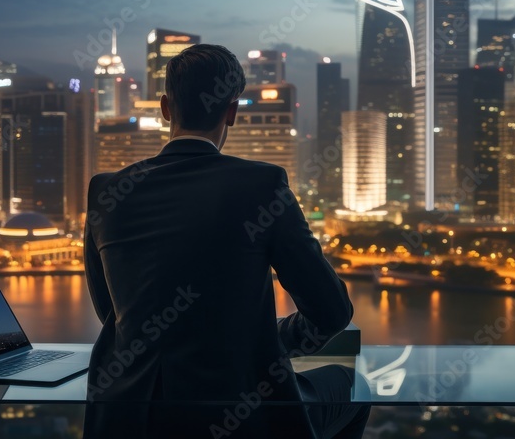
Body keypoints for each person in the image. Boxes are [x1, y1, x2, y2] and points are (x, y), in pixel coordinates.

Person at [82, 44, 370, 438]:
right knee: (354, 387)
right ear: (232, 112)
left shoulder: (106, 191)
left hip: (128, 415)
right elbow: (332, 312)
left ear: (165, 108)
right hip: (241, 413)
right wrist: (271, 338)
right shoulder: (262, 184)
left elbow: (113, 315)